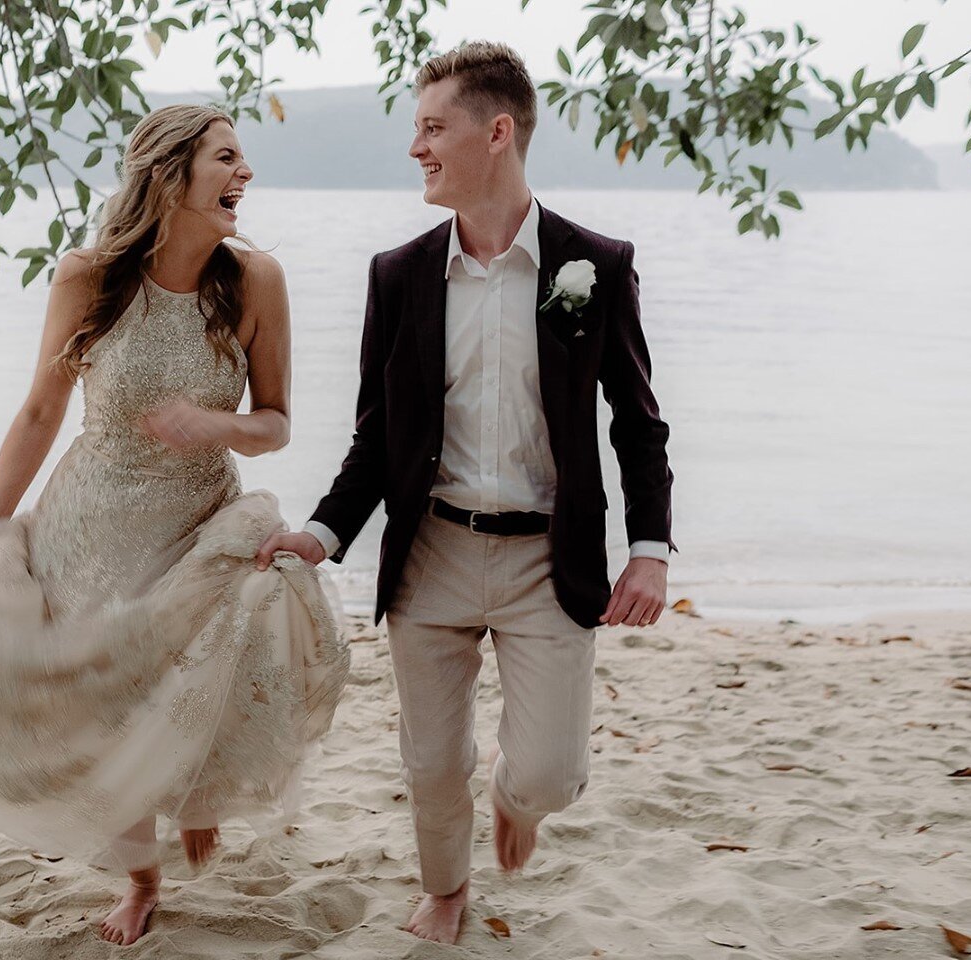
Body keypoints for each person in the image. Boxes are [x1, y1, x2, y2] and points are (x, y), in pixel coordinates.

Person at [0, 104, 349, 948]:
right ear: (169, 174)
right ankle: (141, 877)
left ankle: (196, 796)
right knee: (98, 702)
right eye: (227, 158)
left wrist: (216, 425)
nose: (246, 173)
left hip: (197, 515)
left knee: (217, 654)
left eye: (244, 159)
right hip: (90, 521)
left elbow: (275, 421)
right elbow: (42, 410)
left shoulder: (255, 280)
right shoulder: (87, 277)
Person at [255, 41, 675, 945]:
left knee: (553, 775)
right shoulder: (398, 276)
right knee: (431, 759)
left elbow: (636, 422)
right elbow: (377, 437)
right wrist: (323, 534)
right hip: (433, 549)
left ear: (497, 132)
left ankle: (516, 797)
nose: (417, 147)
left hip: (545, 560)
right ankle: (446, 891)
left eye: (432, 127)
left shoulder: (592, 265)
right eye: (415, 129)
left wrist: (650, 549)